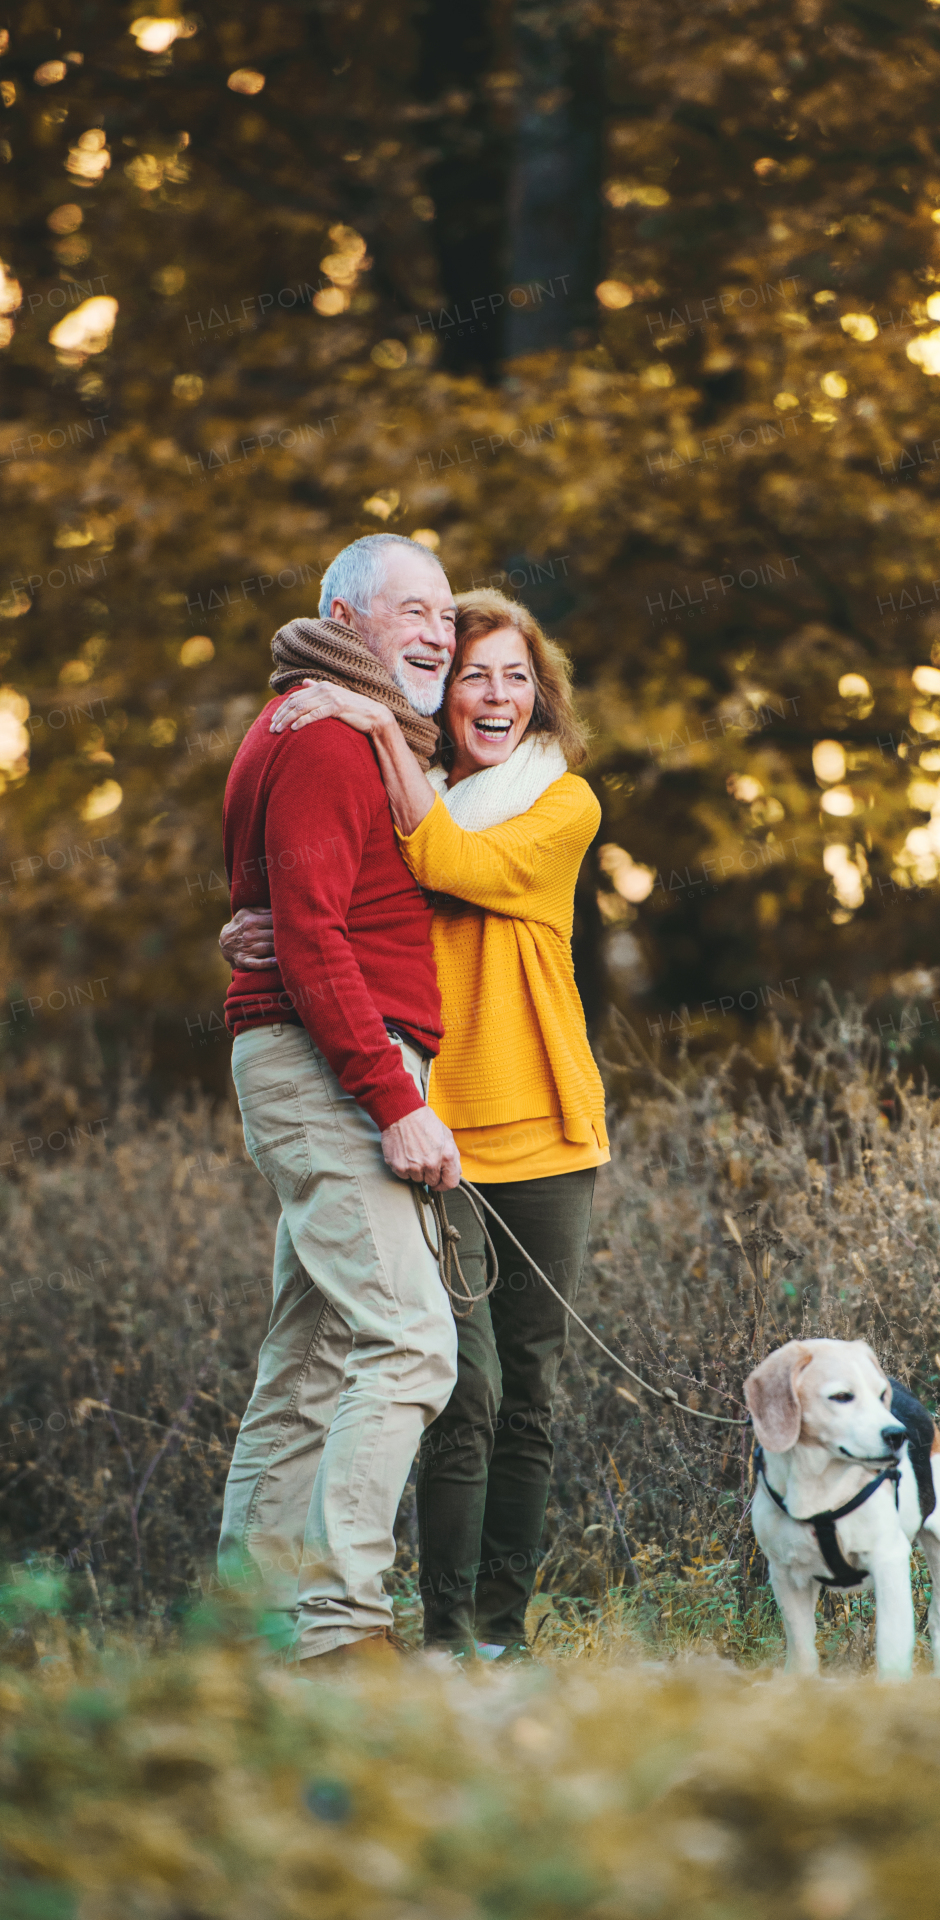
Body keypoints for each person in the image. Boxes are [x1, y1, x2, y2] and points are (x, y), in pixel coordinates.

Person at [222, 578, 608, 1659]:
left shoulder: (556, 802)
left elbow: (459, 866)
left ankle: (497, 1634)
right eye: (471, 675)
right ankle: (432, 1635)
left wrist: (365, 721)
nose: (493, 695)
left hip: (539, 1120)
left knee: (523, 1390)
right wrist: (264, 925)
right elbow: (340, 914)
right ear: (442, 700)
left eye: (515, 678)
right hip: (430, 1119)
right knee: (453, 1381)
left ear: (544, 698)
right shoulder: (404, 787)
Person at [218, 532, 463, 1668]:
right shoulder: (323, 735)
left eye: (446, 617)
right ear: (345, 615)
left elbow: (305, 912)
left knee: (312, 1359)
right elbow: (310, 936)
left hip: (323, 1057)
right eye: (410, 609)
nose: (436, 632)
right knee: (412, 1343)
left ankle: (250, 1627)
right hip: (333, 1068)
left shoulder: (334, 731)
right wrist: (392, 1098)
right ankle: (341, 1631)